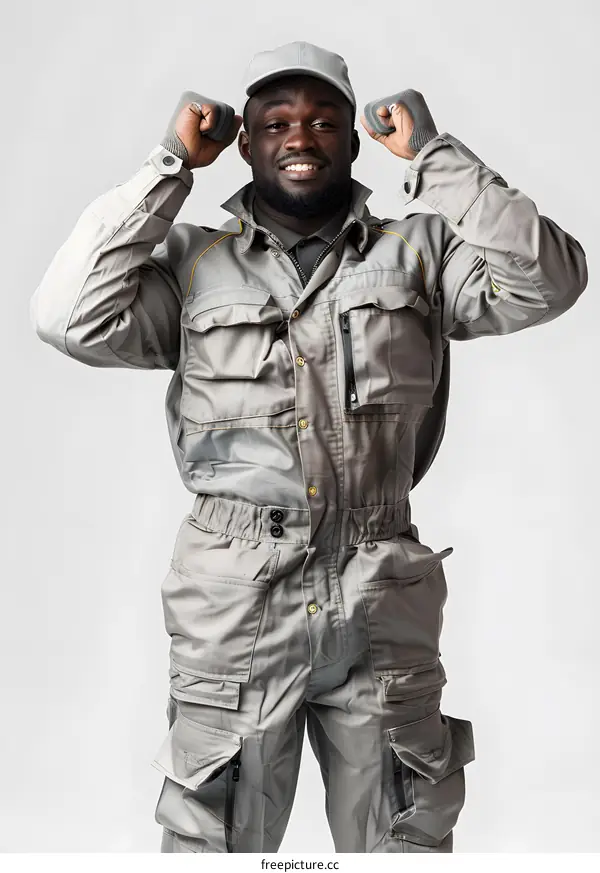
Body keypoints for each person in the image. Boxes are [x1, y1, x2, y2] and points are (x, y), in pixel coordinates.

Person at [30, 41, 587, 854]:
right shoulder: (192, 265)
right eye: (277, 122)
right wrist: (169, 164)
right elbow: (67, 315)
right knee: (216, 842)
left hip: (380, 595)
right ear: (246, 143)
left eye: (325, 120)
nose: (302, 136)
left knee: (403, 836)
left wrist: (436, 158)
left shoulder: (420, 254)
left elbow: (552, 280)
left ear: (354, 142)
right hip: (235, 605)